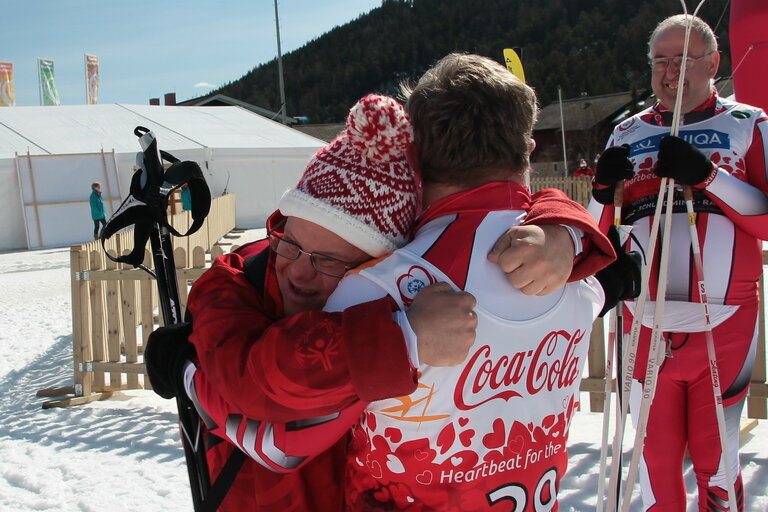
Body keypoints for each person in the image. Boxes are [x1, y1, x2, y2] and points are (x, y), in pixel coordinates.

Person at [147, 89, 622, 511]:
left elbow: (490, 203)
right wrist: (190, 372)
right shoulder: (233, 283)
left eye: (331, 259)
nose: (299, 270)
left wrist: (563, 228)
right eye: (289, 241)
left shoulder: (384, 292)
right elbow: (268, 426)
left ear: (376, 262)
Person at [590, 14, 768, 511]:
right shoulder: (624, 132)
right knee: (654, 463)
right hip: (641, 322)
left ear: (713, 63)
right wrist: (602, 193)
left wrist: (709, 178)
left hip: (725, 321)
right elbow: (591, 238)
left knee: (718, 463)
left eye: (684, 59)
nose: (670, 71)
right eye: (660, 61)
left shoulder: (748, 124)